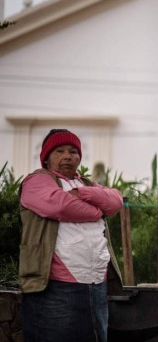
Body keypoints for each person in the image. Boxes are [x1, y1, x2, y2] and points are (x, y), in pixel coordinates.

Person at [19, 129, 124, 342]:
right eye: (59, 151)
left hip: (95, 281)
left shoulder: (84, 183)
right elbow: (60, 205)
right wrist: (97, 211)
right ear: (46, 158)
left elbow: (115, 201)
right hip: (55, 283)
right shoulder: (36, 181)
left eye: (73, 151)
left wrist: (82, 193)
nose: (67, 156)